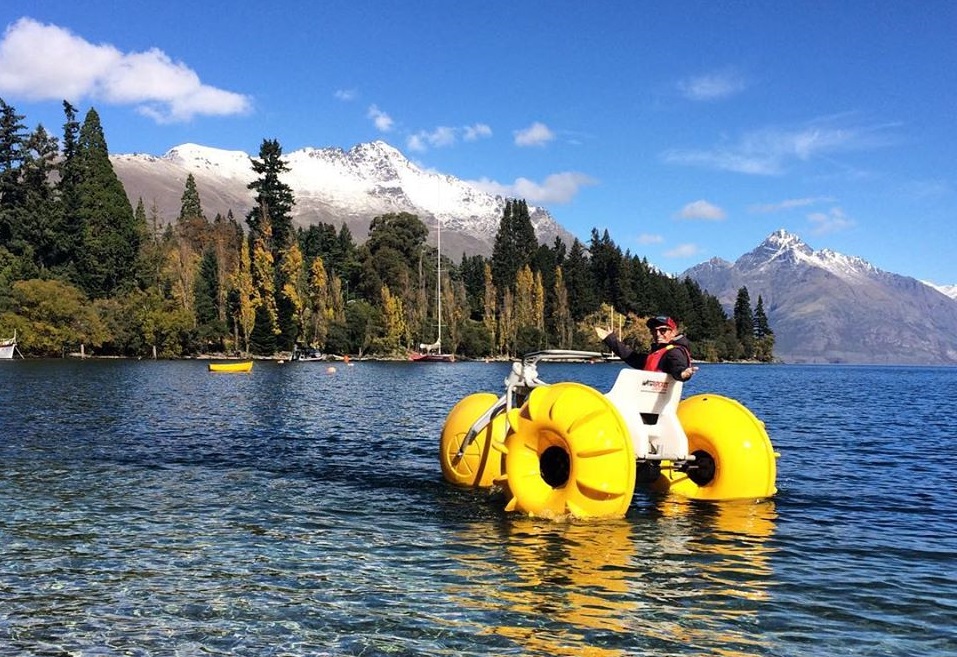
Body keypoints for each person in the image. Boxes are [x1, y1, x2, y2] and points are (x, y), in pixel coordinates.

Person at [595, 315, 698, 381]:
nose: (657, 334)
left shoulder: (674, 352)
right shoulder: (658, 354)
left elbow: (677, 365)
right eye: (654, 331)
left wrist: (683, 373)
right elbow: (631, 357)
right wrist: (610, 339)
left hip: (653, 408)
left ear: (673, 332)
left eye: (663, 330)